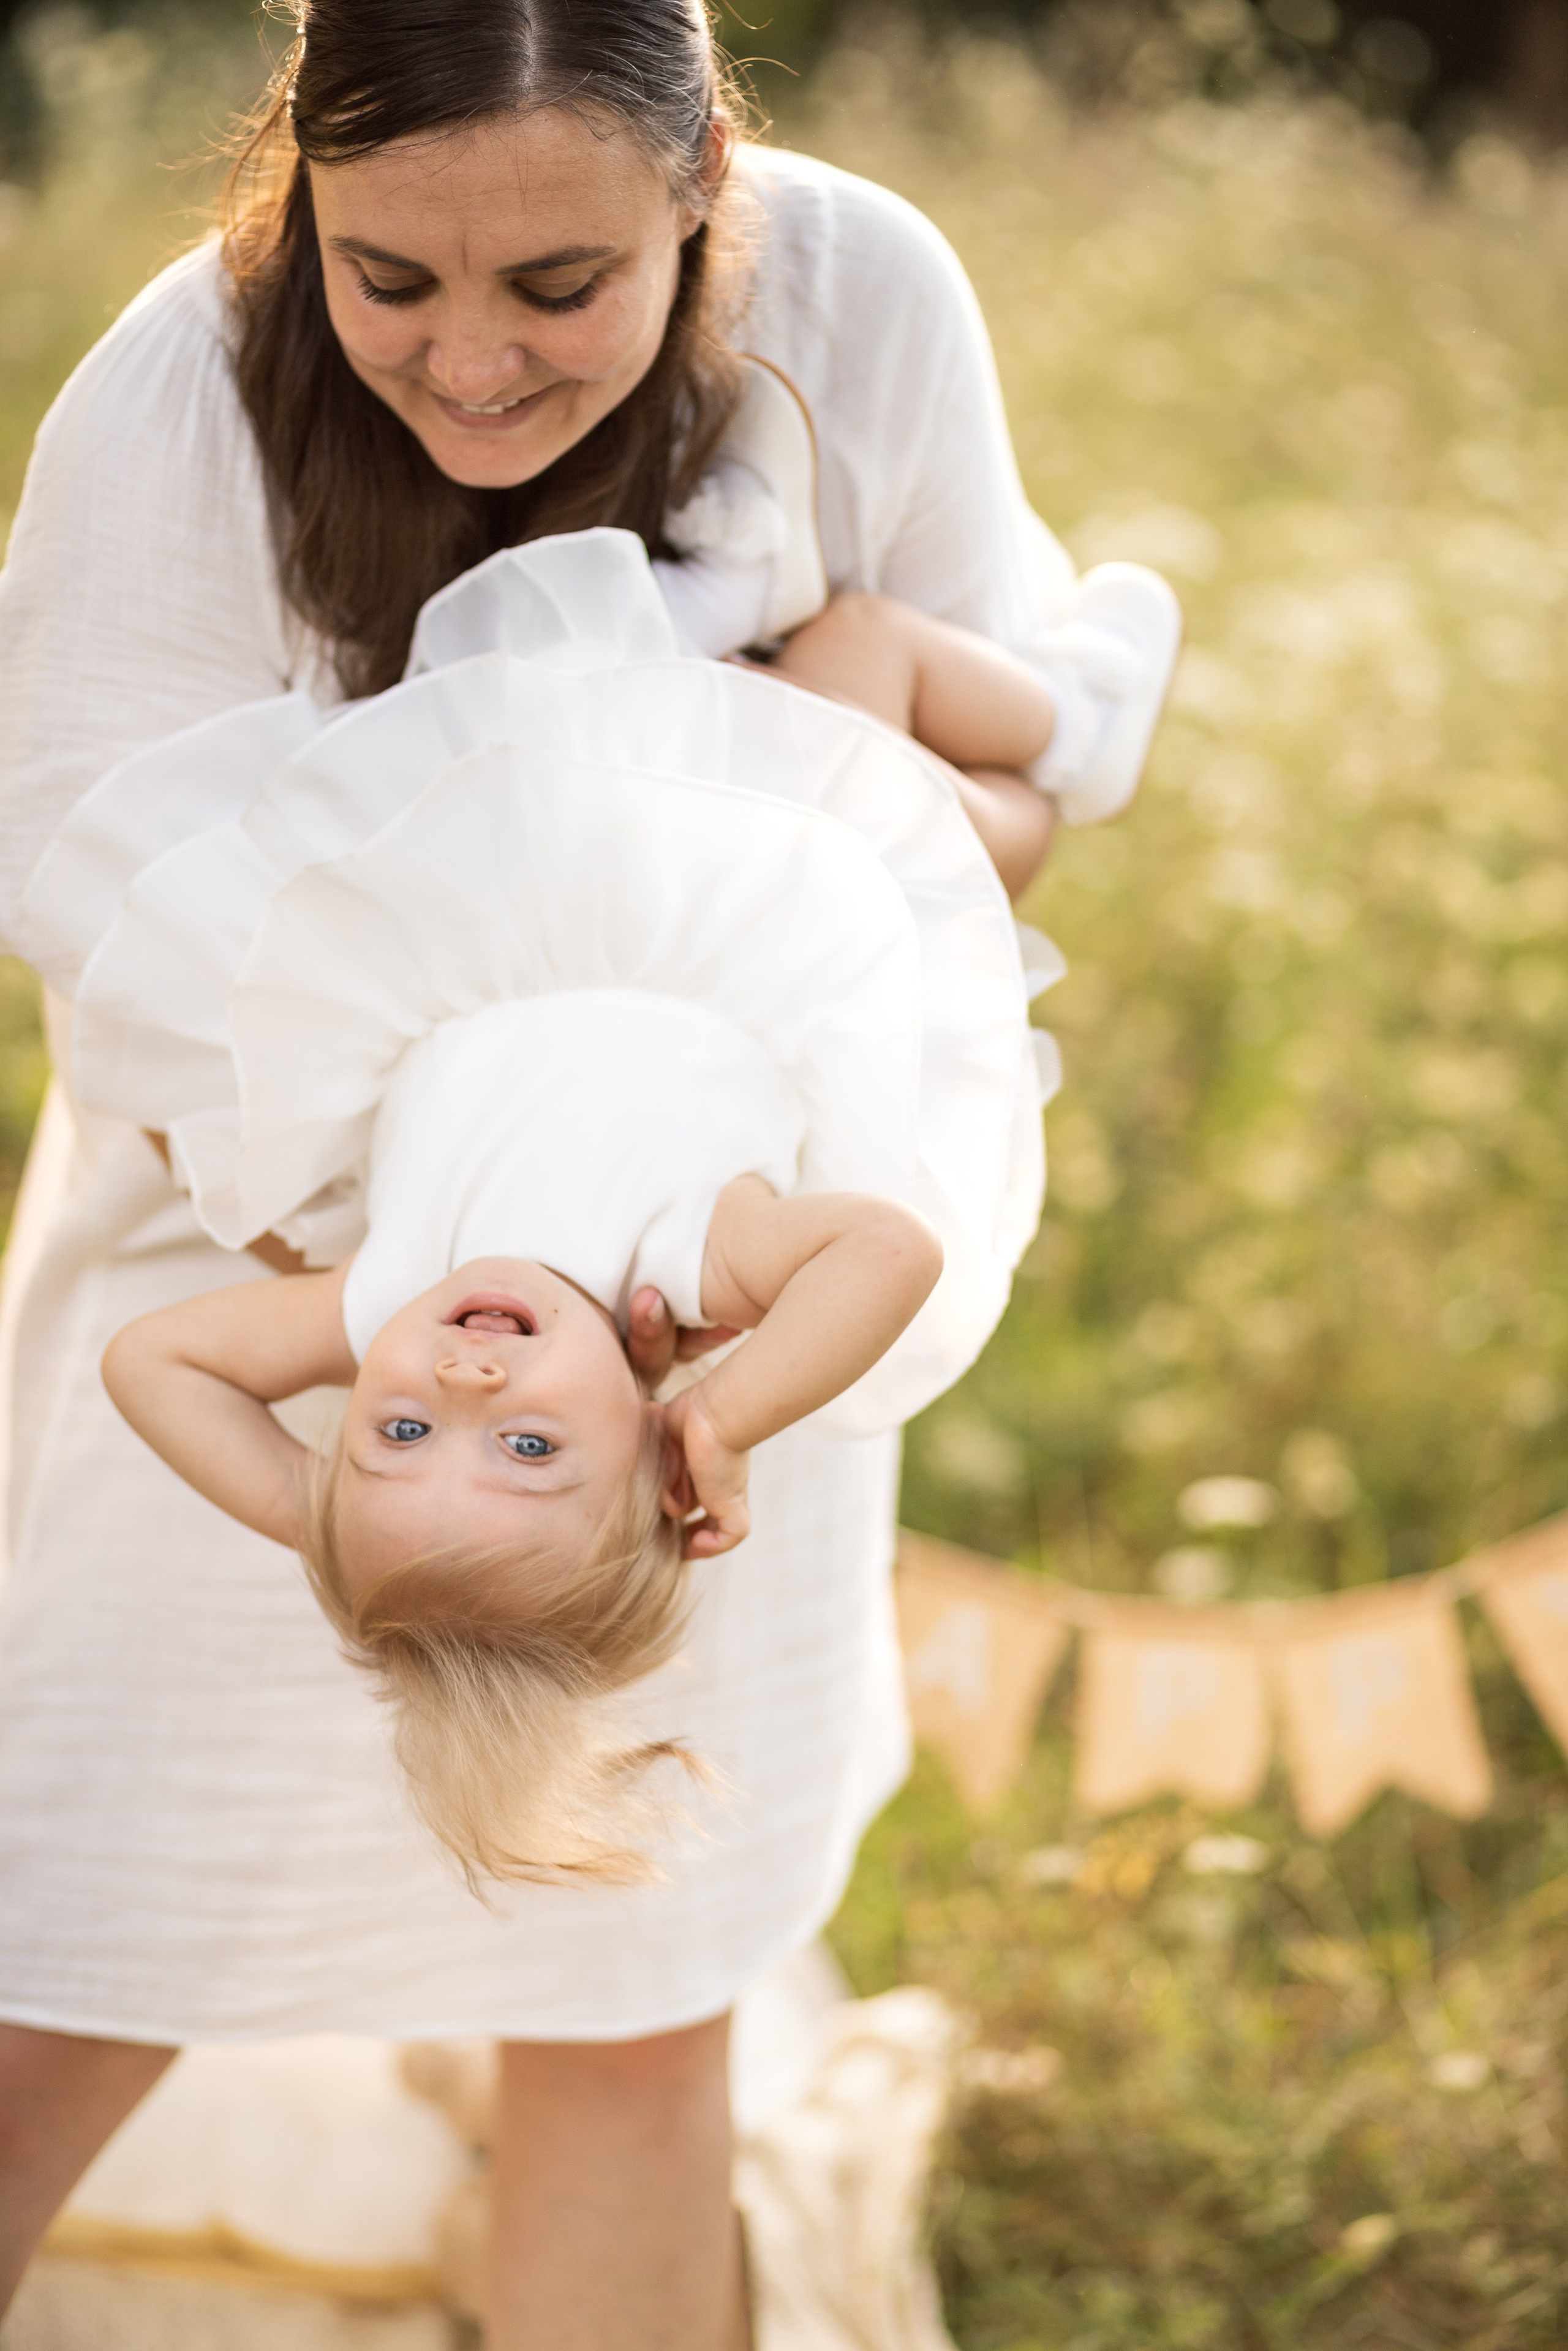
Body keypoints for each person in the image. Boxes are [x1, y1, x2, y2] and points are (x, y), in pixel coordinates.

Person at [0, 3, 1177, 2342]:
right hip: (271, 1177)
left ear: (705, 175)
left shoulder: (863, 301)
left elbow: (1019, 811)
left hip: (708, 1315)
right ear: (301, 195)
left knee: (628, 1984)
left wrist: (840, 746)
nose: (467, 364)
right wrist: (367, 1446)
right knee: (71, 1914)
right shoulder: (181, 385)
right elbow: (98, 924)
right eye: (389, 278)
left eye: (559, 285)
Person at [32, 522, 1079, 1889]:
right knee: (875, 676)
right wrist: (722, 1415)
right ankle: (1076, 722)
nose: (461, 1376)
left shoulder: (381, 1294)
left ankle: (1000, 757)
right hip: (775, 894)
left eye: (399, 1431)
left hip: (526, 883)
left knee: (570, 687)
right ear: (649, 1462)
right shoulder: (687, 1261)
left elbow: (149, 1360)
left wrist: (318, 1513)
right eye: (527, 1447)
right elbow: (891, 1248)